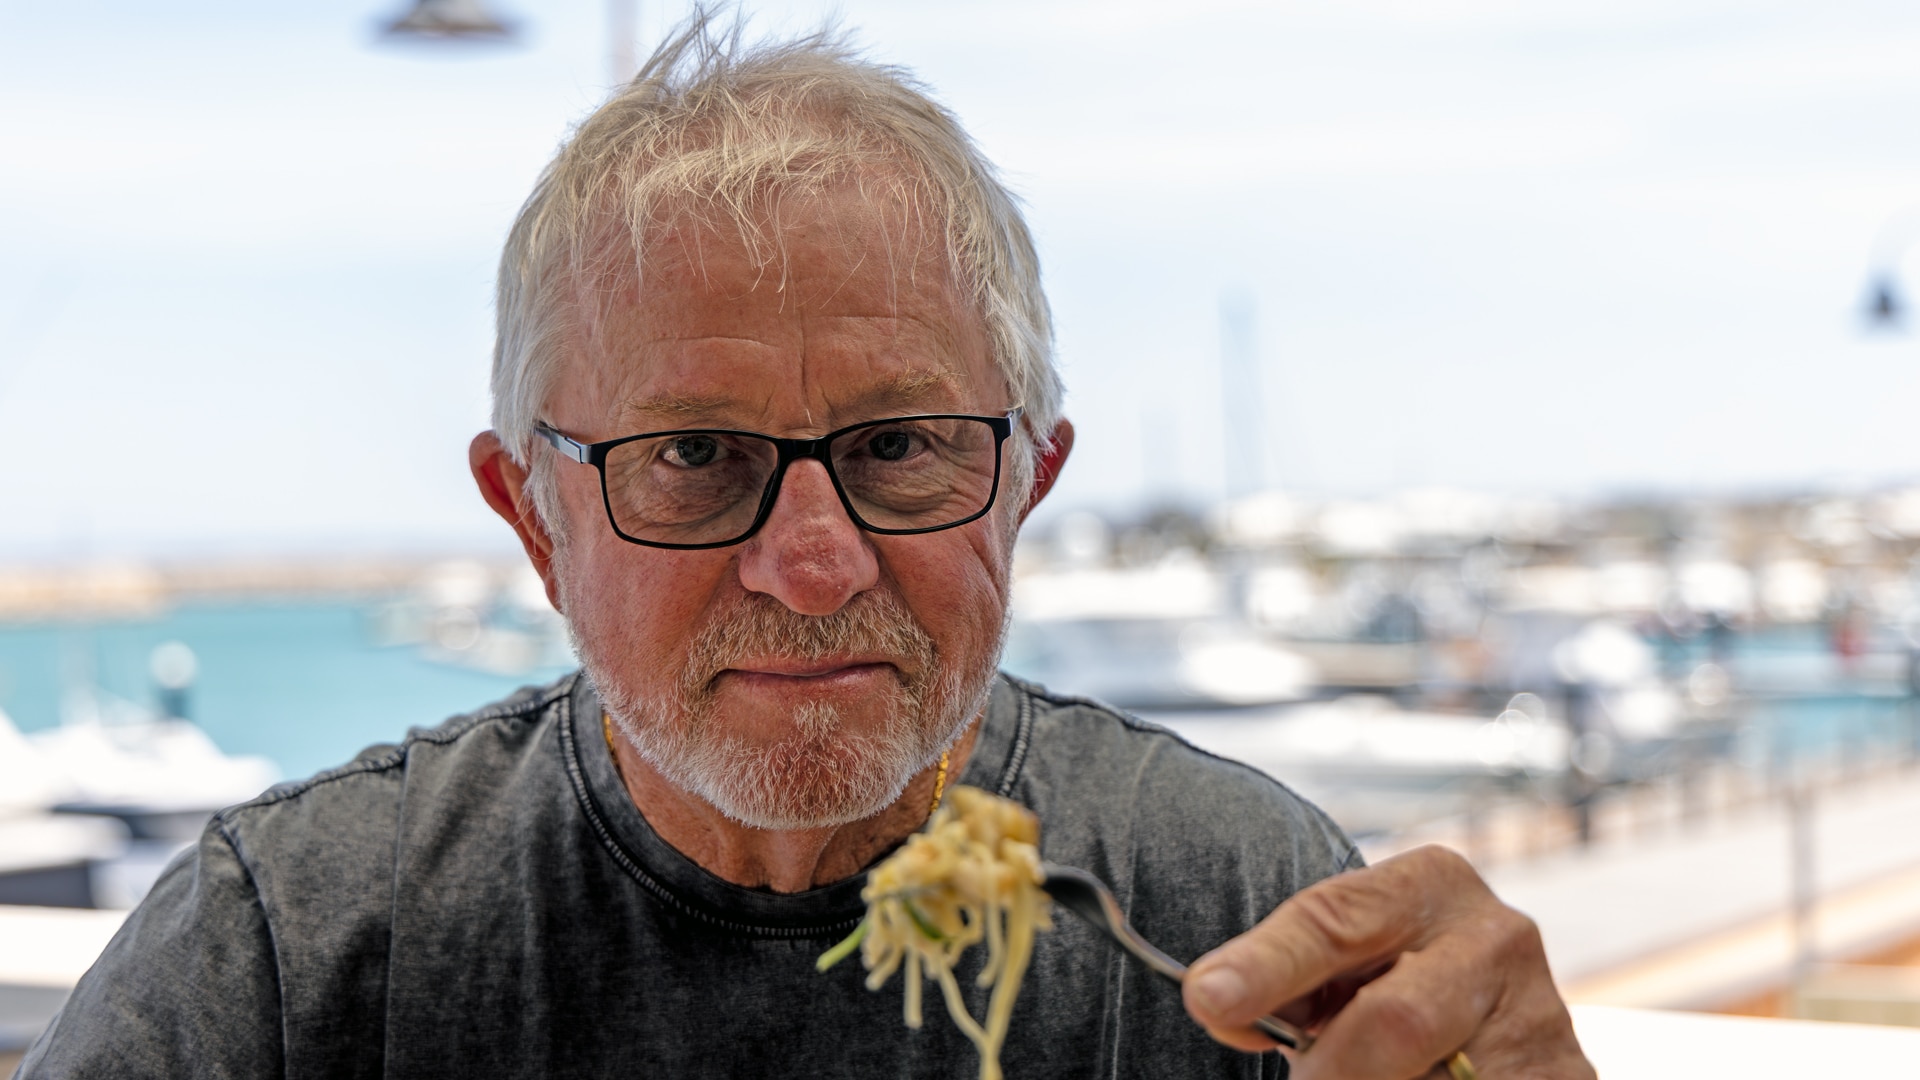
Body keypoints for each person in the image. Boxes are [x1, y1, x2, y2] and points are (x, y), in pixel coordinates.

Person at [18, 19, 1593, 1080]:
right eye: (694, 459)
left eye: (902, 448)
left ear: (1027, 483)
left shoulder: (1232, 919)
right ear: (534, 522)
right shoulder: (293, 959)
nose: (815, 564)